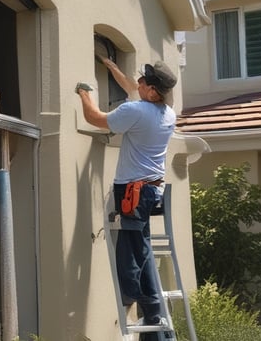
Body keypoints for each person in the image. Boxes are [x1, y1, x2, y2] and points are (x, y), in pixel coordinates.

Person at [76, 59, 178, 339]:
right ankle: (155, 319)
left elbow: (95, 118)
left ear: (153, 92)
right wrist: (112, 69)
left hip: (133, 191)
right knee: (140, 245)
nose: (139, 83)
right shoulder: (167, 112)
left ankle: (136, 298)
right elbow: (134, 89)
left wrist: (84, 92)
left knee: (132, 251)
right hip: (152, 189)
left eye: (144, 81)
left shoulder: (136, 111)